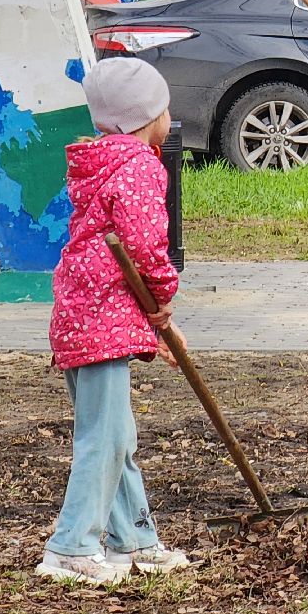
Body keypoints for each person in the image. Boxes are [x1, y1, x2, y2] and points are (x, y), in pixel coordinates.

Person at [37, 58, 190, 586]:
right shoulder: (141, 166)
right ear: (149, 116)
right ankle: (72, 546)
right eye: (165, 106)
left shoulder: (97, 162)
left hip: (80, 315)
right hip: (102, 319)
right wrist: (164, 295)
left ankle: (136, 541)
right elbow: (147, 245)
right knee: (103, 439)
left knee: (116, 434)